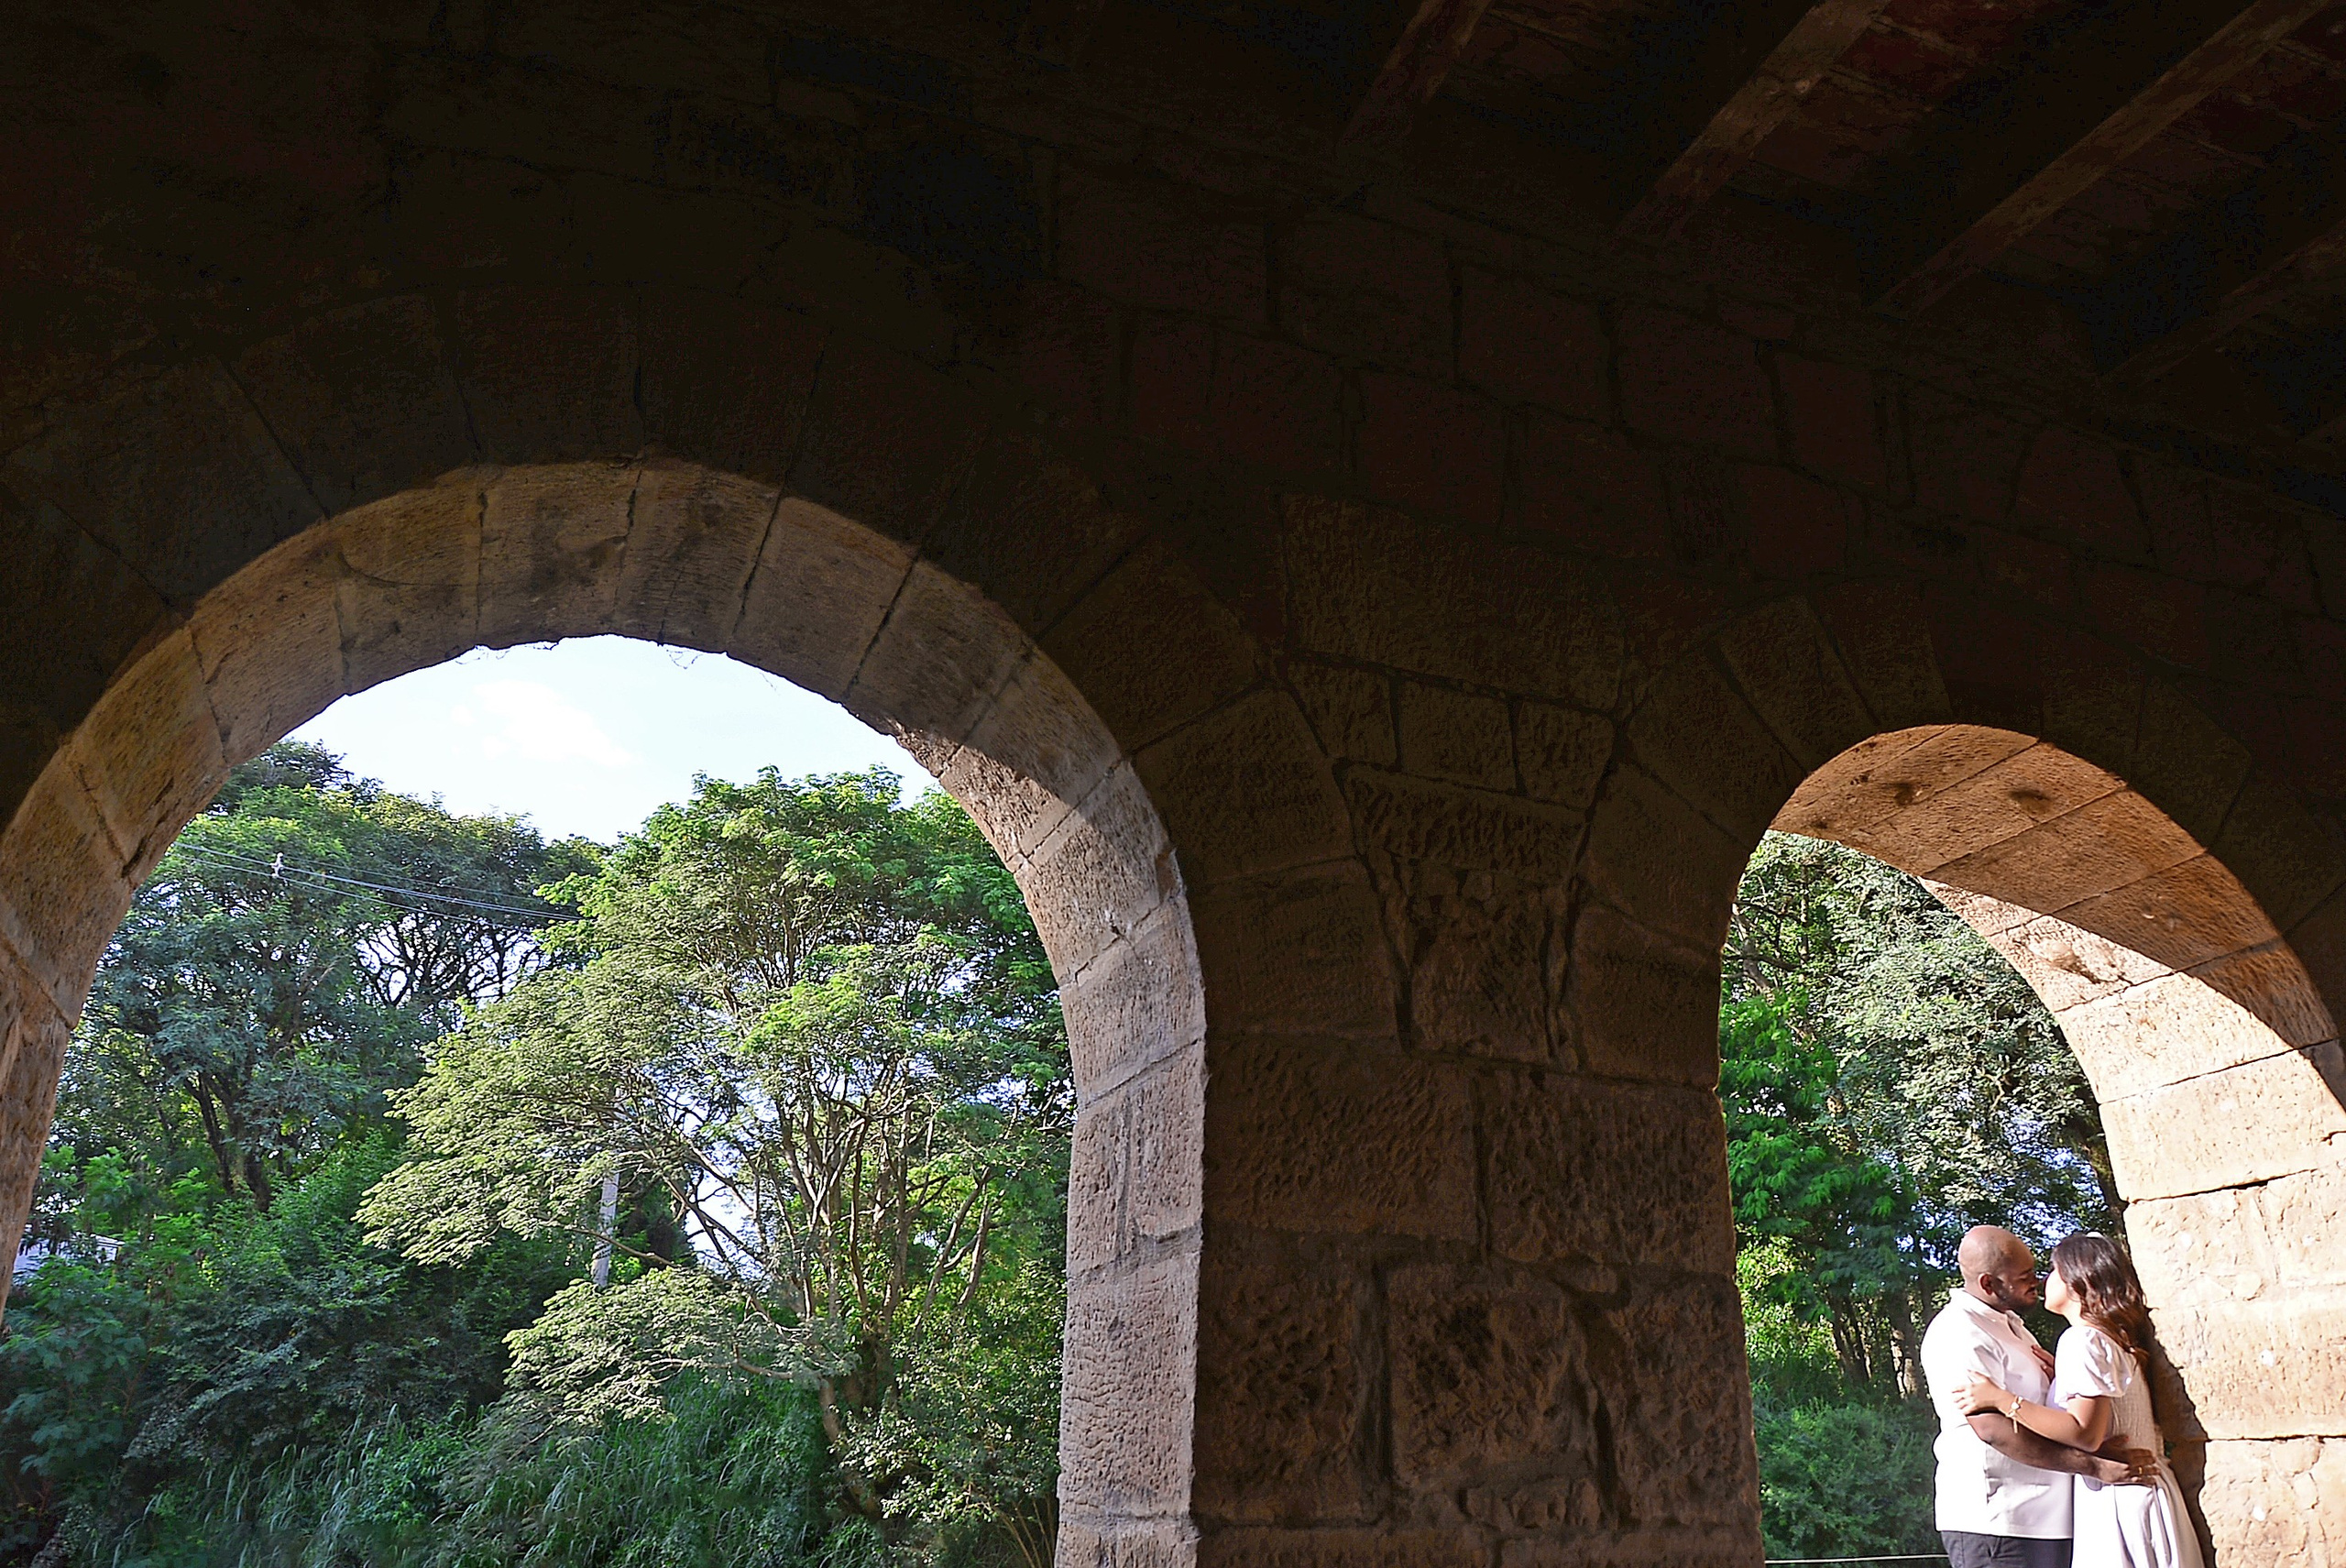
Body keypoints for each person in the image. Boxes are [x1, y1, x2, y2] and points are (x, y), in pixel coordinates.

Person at [1958, 1234, 2203, 1568]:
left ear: (2078, 1282)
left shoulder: (2082, 1339)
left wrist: (2003, 1400)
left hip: (2119, 1495)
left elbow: (2084, 1432)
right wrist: (2062, 1377)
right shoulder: (2109, 1339)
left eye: (2055, 1271)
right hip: (2141, 1490)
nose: (2045, 1279)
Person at [1922, 1225, 2156, 1568]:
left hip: (2051, 1518)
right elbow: (1990, 1428)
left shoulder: (2011, 1324)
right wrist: (2092, 1465)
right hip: (2000, 1522)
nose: (2039, 1280)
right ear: (1989, 1284)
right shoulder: (1959, 1331)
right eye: (2025, 1276)